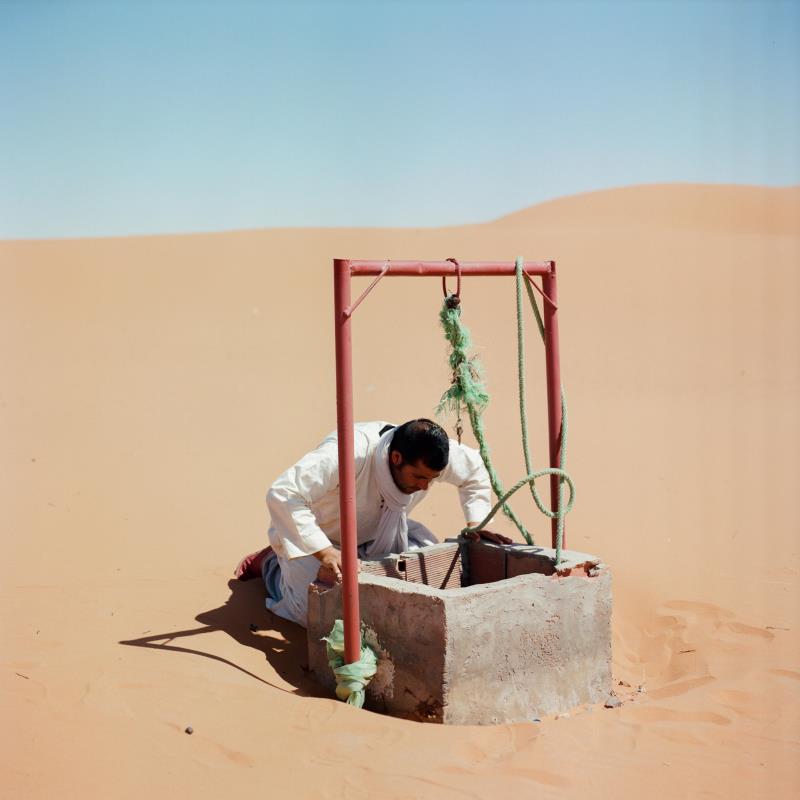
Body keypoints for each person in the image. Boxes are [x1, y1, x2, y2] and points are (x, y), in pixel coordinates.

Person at [235, 418, 509, 627]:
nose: (425, 487)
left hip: (382, 532)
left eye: (432, 479)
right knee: (317, 613)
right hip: (320, 538)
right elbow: (283, 493)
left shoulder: (430, 456)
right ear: (396, 457)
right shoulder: (348, 453)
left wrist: (477, 520)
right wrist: (324, 552)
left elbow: (473, 469)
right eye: (418, 477)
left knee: (426, 578)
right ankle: (271, 565)